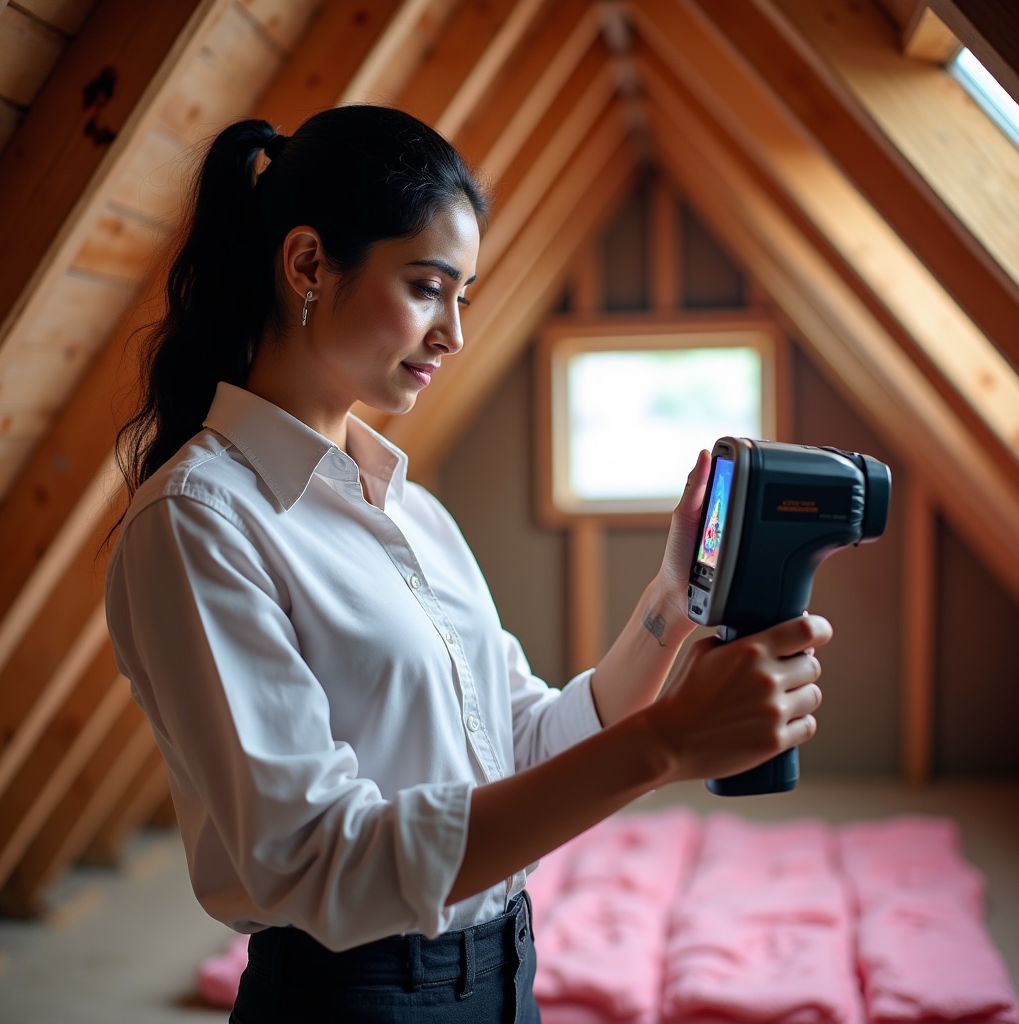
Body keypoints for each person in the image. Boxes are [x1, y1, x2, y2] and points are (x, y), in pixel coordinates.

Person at [104, 104, 830, 1023]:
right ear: (307, 265)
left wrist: (672, 602)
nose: (452, 331)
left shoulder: (415, 513)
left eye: (464, 296)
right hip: (354, 1000)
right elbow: (319, 857)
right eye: (426, 286)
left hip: (507, 975)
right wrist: (669, 745)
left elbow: (524, 746)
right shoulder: (198, 523)